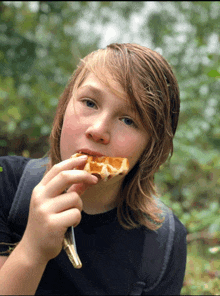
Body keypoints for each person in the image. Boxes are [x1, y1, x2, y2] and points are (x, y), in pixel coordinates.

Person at [0, 43, 187, 295]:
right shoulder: (6, 183)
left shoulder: (163, 243)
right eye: (89, 102)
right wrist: (32, 250)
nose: (98, 130)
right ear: (65, 106)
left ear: (151, 148)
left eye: (128, 120)